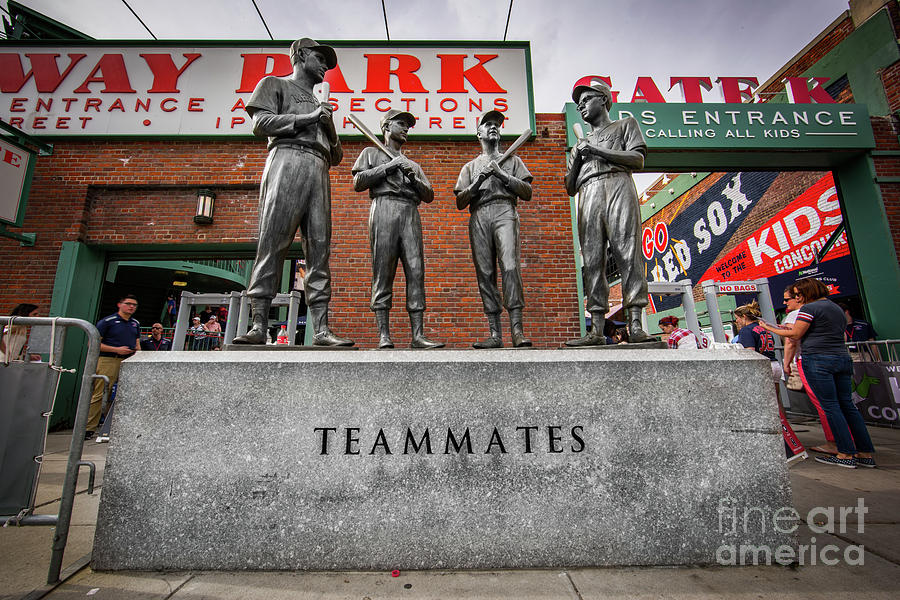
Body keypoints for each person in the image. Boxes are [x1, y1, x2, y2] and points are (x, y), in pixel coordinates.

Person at [233, 37, 352, 348]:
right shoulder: (275, 84)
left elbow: (336, 155)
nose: (325, 65)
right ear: (301, 55)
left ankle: (322, 329)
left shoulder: (319, 102)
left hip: (319, 168)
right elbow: (261, 124)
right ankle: (259, 324)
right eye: (320, 58)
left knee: (320, 249)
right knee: (273, 241)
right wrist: (311, 118)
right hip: (286, 159)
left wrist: (328, 125)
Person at [564, 81, 654, 345]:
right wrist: (580, 156)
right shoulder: (579, 145)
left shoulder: (625, 125)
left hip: (618, 184)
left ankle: (635, 325)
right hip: (588, 191)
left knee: (628, 252)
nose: (581, 106)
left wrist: (595, 150)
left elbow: (637, 160)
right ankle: (596, 330)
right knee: (591, 260)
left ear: (603, 99)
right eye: (578, 103)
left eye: (586, 99)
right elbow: (569, 186)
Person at [352, 109, 444, 349]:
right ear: (386, 127)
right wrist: (388, 168)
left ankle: (418, 335)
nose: (406, 129)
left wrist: (412, 178)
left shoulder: (412, 164)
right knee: (383, 271)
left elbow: (429, 195)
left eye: (408, 125)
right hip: (383, 207)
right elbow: (358, 182)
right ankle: (384, 334)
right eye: (401, 124)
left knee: (416, 271)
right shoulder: (370, 152)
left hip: (410, 213)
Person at [760, 278, 876, 468]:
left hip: (818, 359)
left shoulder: (809, 309)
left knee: (830, 406)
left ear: (807, 292)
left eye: (798, 294)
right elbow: (842, 335)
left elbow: (795, 335)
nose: (797, 297)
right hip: (841, 357)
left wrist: (769, 328)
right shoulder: (836, 309)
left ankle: (846, 453)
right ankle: (865, 452)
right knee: (847, 405)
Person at [454, 110, 533, 348]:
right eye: (487, 124)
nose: (493, 127)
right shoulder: (470, 166)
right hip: (479, 214)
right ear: (478, 132)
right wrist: (478, 181)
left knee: (510, 267)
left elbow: (527, 192)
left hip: (504, 210)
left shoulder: (512, 161)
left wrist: (502, 174)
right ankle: (495, 333)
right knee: (485, 274)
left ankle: (517, 331)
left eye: (497, 125)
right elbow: (460, 202)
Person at [88, 295, 140, 440]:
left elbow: (137, 343)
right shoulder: (107, 322)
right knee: (100, 393)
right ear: (119, 304)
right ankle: (89, 427)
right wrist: (116, 350)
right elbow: (94, 344)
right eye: (128, 304)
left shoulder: (135, 323)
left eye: (134, 305)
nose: (131, 307)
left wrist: (138, 353)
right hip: (109, 360)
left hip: (129, 360)